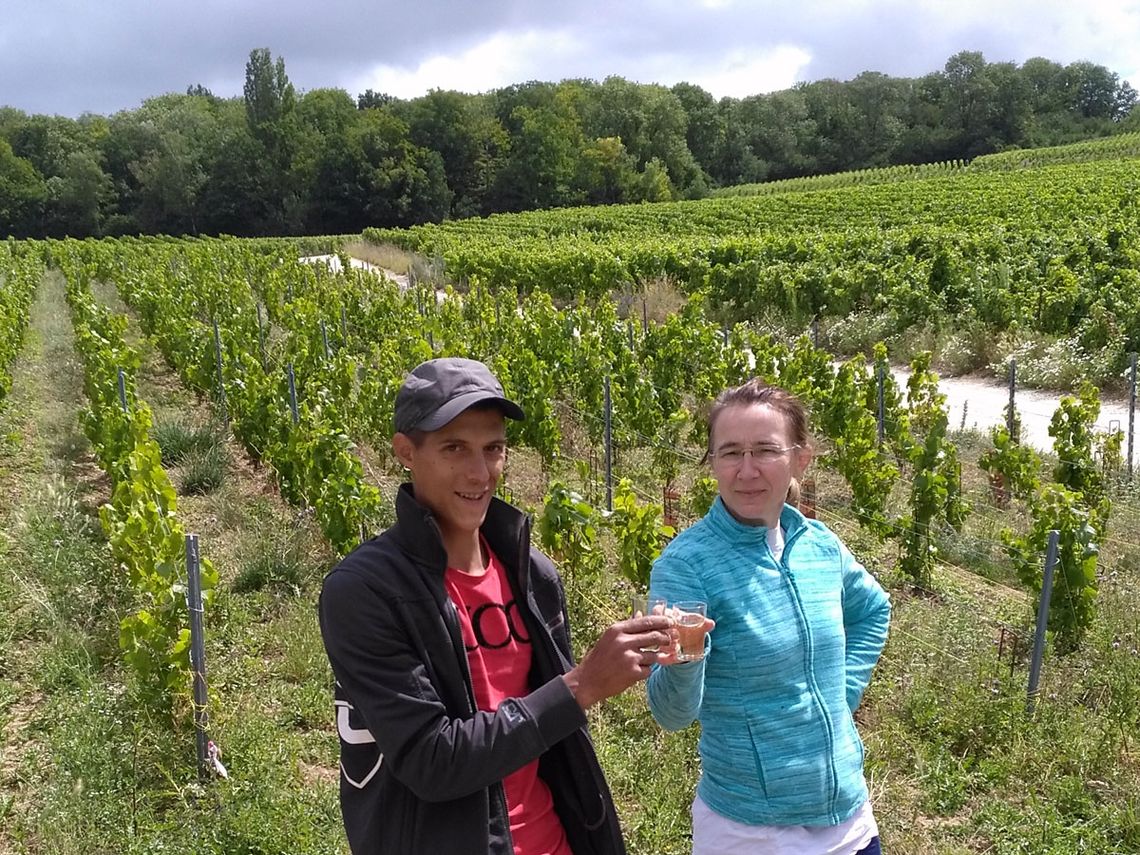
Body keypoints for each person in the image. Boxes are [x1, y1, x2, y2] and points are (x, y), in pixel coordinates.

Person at [319, 357, 673, 855]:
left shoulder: (534, 576)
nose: (479, 471)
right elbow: (431, 759)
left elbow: (553, 737)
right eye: (454, 448)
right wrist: (583, 685)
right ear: (405, 451)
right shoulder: (366, 591)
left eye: (494, 449)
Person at [646, 378, 891, 855]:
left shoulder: (818, 544)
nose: (747, 470)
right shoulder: (687, 565)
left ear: (800, 458)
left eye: (765, 450)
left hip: (848, 818)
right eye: (731, 452)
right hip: (752, 831)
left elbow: (872, 610)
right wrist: (684, 660)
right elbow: (671, 714)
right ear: (712, 463)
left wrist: (840, 696)